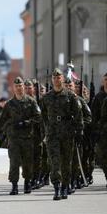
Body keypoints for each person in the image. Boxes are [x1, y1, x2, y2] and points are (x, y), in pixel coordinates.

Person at [0, 76, 41, 195]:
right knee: (14, 162)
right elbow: (1, 120)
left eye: (21, 86)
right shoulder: (9, 104)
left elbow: (38, 117)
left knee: (27, 162)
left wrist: (26, 123)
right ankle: (14, 186)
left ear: (24, 87)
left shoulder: (31, 101)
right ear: (13, 88)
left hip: (27, 137)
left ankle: (27, 182)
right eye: (17, 86)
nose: (19, 88)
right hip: (13, 138)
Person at [41, 68, 83, 200]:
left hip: (67, 133)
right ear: (52, 80)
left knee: (66, 161)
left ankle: (65, 186)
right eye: (54, 78)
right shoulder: (47, 97)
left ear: (63, 79)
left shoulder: (71, 96)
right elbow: (42, 115)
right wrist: (46, 129)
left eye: (59, 77)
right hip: (52, 133)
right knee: (54, 161)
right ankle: (57, 188)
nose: (57, 80)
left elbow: (78, 114)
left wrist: (79, 131)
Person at [65, 78, 92, 192]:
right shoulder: (60, 100)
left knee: (76, 160)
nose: (68, 88)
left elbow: (88, 117)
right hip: (63, 135)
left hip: (76, 135)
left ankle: (74, 180)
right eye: (66, 86)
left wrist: (79, 126)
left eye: (70, 86)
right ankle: (66, 182)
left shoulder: (80, 100)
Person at [91, 72, 107, 190]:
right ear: (103, 81)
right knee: (104, 158)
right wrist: (95, 131)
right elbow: (94, 116)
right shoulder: (98, 97)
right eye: (106, 79)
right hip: (103, 133)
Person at [25, 78, 43, 189]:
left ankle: (37, 178)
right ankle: (29, 179)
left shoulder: (40, 101)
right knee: (27, 158)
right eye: (25, 88)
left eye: (29, 88)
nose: (27, 90)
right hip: (26, 135)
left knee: (38, 158)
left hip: (38, 134)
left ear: (34, 89)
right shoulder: (22, 101)